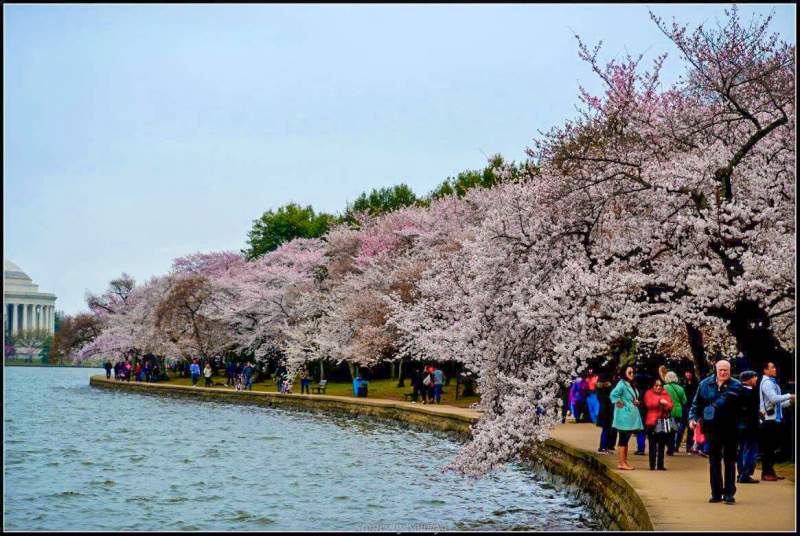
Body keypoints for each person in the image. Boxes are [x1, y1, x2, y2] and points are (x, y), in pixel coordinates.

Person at [689, 359, 743, 504]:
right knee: (714, 460)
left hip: (731, 427)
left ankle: (729, 493)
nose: (724, 372)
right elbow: (696, 404)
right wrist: (693, 418)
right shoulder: (705, 384)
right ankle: (716, 493)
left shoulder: (736, 385)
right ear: (716, 370)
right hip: (711, 427)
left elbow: (742, 407)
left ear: (730, 371)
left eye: (726, 370)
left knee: (730, 461)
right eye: (721, 370)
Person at [759, 361, 795, 482]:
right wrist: (790, 395)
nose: (775, 369)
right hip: (768, 420)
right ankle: (766, 472)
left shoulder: (772, 382)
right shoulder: (767, 383)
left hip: (774, 418)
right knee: (768, 448)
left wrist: (789, 402)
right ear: (765, 370)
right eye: (772, 367)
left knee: (772, 447)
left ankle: (770, 471)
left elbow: (777, 405)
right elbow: (774, 399)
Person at [610, 365, 643, 470]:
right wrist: (618, 402)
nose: (632, 374)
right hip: (624, 415)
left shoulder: (630, 384)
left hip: (630, 415)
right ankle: (621, 462)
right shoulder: (622, 384)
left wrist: (636, 401)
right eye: (629, 372)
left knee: (626, 439)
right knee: (623, 439)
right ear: (624, 373)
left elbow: (632, 396)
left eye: (633, 372)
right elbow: (613, 394)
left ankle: (624, 461)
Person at [644, 378, 674, 471]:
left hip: (662, 422)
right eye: (656, 385)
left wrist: (665, 404)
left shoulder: (666, 394)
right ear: (653, 386)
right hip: (652, 422)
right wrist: (660, 401)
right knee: (652, 445)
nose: (658, 387)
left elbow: (670, 405)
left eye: (660, 385)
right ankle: (652, 465)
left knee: (662, 445)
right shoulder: (648, 393)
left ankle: (660, 465)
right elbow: (649, 404)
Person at [736, 370, 760, 484]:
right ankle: (746, 474)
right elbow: (751, 410)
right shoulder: (750, 393)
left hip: (739, 425)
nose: (756, 380)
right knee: (750, 449)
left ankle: (741, 472)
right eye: (755, 377)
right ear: (750, 379)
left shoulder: (737, 391)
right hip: (749, 425)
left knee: (741, 449)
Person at [664, 371, 687, 456]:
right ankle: (671, 448)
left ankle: (669, 446)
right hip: (677, 411)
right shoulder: (680, 388)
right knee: (673, 431)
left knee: (666, 430)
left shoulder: (664, 387)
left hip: (667, 411)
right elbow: (684, 401)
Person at [676, 370, 698, 454]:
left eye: (689, 372)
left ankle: (689, 447)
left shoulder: (695, 384)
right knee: (681, 428)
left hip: (691, 407)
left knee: (690, 428)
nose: (688, 374)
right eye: (687, 372)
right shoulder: (682, 383)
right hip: (684, 407)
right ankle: (676, 445)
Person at [595, 370, 617, 454]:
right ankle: (603, 447)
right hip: (607, 411)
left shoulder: (600, 390)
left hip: (603, 410)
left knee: (606, 429)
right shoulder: (609, 389)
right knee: (606, 429)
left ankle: (604, 447)